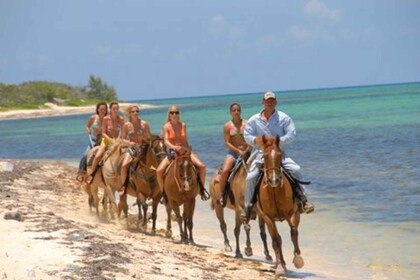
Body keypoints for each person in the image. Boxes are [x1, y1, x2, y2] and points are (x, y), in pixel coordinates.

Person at [242, 91, 314, 222]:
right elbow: (247, 135)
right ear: (262, 102)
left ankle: (303, 201)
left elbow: (292, 134)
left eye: (272, 100)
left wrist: (277, 141)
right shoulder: (254, 120)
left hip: (279, 153)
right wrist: (256, 141)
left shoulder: (284, 118)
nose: (270, 102)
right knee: (251, 177)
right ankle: (248, 208)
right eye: (267, 100)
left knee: (296, 169)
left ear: (276, 102)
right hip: (260, 154)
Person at [156, 105, 209, 203]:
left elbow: (185, 140)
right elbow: (166, 141)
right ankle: (164, 193)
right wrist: (175, 147)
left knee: (202, 166)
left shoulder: (183, 125)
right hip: (173, 151)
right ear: (169, 114)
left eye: (176, 112)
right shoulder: (166, 126)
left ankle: (201, 189)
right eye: (172, 113)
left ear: (179, 114)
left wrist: (188, 149)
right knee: (159, 171)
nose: (174, 114)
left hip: (184, 151)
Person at [217, 103, 251, 206]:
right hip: (233, 153)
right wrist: (238, 151)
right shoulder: (227, 126)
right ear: (230, 112)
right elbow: (227, 142)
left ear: (240, 111)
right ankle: (222, 193)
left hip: (248, 152)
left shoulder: (247, 123)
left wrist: (247, 150)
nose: (236, 112)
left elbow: (251, 139)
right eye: (234, 110)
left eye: (238, 110)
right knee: (225, 170)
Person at [86, 101, 124, 183]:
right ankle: (92, 175)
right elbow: (103, 133)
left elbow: (124, 131)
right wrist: (110, 140)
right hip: (106, 141)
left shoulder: (120, 119)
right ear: (110, 109)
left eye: (117, 109)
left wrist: (121, 139)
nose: (116, 110)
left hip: (117, 141)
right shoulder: (106, 119)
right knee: (97, 156)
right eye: (114, 108)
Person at [119, 104, 152, 195]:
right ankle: (123, 186)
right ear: (130, 113)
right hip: (132, 149)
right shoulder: (127, 125)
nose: (135, 113)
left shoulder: (144, 124)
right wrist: (130, 143)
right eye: (133, 111)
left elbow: (149, 136)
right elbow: (122, 139)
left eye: (137, 111)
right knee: (124, 165)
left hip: (143, 148)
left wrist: (147, 141)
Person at [76, 102, 108, 182]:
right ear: (98, 109)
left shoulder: (108, 118)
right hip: (93, 140)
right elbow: (87, 126)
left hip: (104, 141)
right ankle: (81, 172)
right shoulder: (93, 118)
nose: (102, 110)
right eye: (101, 109)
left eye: (104, 109)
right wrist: (87, 130)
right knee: (85, 155)